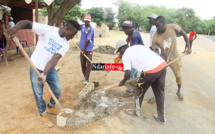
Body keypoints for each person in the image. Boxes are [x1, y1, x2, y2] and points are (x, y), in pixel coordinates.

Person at [8, 19, 80, 128]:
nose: (72, 37)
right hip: (35, 66)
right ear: (67, 29)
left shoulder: (65, 45)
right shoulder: (48, 30)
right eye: (73, 34)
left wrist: (45, 74)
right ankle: (43, 113)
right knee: (38, 93)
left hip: (49, 69)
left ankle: (51, 104)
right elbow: (27, 23)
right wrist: (15, 28)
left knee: (57, 89)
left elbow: (55, 58)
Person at [115, 40, 167, 124]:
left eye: (119, 51)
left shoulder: (126, 55)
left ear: (122, 49)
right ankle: (161, 118)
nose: (119, 53)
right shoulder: (137, 46)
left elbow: (127, 72)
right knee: (159, 93)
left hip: (150, 70)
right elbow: (146, 59)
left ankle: (136, 112)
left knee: (139, 90)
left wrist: (123, 81)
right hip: (161, 65)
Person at [152, 16, 191, 101]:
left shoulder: (173, 27)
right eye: (155, 26)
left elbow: (184, 34)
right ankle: (158, 95)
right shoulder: (155, 36)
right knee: (159, 78)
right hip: (163, 60)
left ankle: (179, 91)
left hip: (175, 58)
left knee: (179, 76)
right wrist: (161, 59)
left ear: (164, 23)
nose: (157, 28)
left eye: (159, 26)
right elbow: (156, 52)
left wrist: (189, 47)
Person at [121, 20, 144, 97]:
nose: (124, 32)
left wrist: (124, 55)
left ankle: (130, 91)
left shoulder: (135, 36)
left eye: (125, 30)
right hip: (137, 55)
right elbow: (127, 41)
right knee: (135, 74)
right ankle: (135, 88)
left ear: (129, 28)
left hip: (137, 56)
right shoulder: (131, 32)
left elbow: (133, 51)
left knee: (130, 73)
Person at [79, 14, 94, 85]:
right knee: (82, 62)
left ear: (89, 21)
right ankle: (85, 76)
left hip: (88, 49)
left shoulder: (91, 29)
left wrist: (84, 51)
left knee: (89, 64)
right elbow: (76, 28)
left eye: (88, 21)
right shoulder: (82, 26)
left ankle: (87, 79)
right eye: (85, 21)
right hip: (81, 48)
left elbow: (87, 40)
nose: (86, 22)